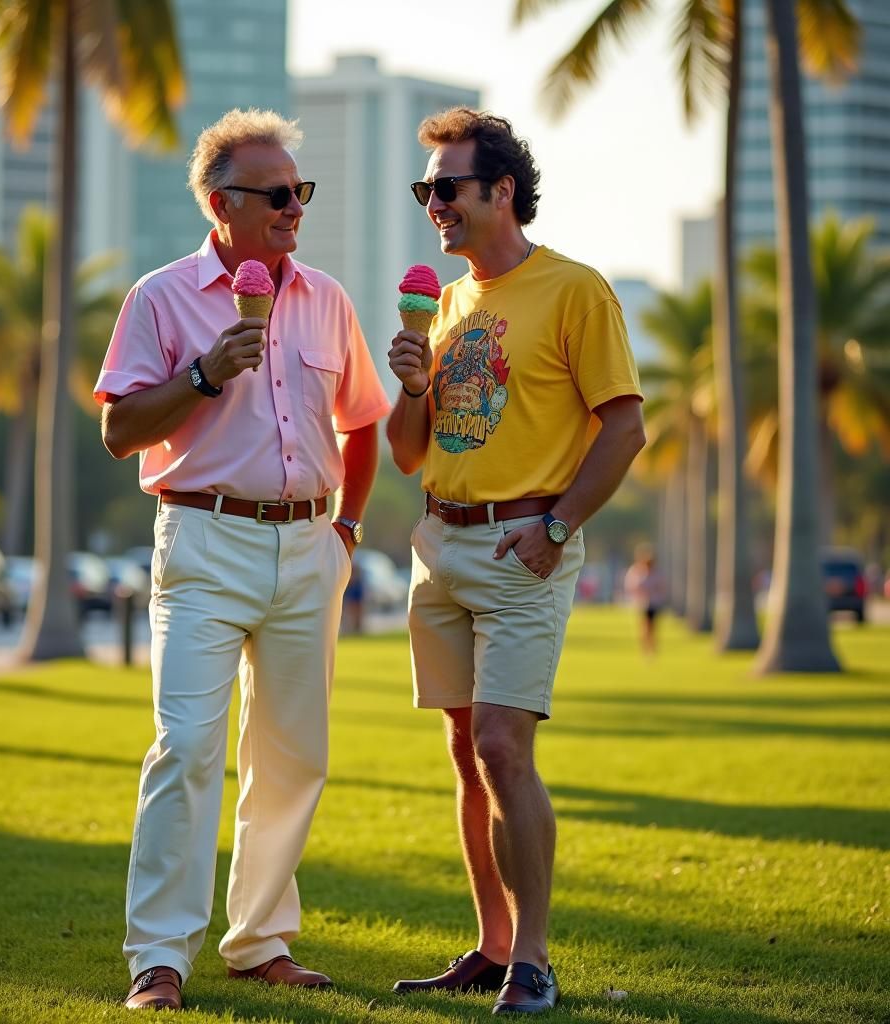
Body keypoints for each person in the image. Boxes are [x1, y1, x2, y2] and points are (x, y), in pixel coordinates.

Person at [95, 108, 391, 1012]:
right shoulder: (159, 297)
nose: (294, 207)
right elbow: (117, 431)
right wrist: (202, 376)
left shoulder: (329, 298)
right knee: (185, 746)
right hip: (204, 540)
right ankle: (159, 959)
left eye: (301, 192)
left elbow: (364, 420)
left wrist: (345, 534)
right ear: (222, 205)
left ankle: (259, 940)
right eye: (276, 194)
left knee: (294, 759)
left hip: (310, 544)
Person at [386, 108, 645, 1016]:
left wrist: (561, 527)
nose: (434, 205)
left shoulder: (576, 290)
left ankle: (532, 961)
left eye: (447, 187)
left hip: (524, 545)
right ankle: (493, 949)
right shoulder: (449, 302)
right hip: (440, 541)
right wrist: (413, 385)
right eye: (426, 191)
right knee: (466, 753)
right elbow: (408, 453)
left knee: (503, 743)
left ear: (502, 190)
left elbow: (625, 426)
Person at [624, 543, 667, 653]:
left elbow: (662, 587)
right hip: (642, 603)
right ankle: (646, 647)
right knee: (644, 626)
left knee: (653, 627)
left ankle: (652, 646)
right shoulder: (636, 571)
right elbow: (630, 586)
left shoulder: (657, 573)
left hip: (654, 603)